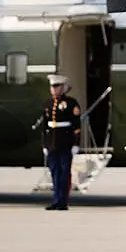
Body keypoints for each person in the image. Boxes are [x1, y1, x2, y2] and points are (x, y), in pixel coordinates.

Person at [41, 74, 82, 211]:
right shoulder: (48, 103)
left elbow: (76, 125)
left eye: (56, 86)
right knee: (55, 173)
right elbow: (45, 127)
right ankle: (56, 199)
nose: (53, 89)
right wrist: (45, 145)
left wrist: (76, 143)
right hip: (52, 142)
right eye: (52, 87)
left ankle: (63, 201)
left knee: (64, 173)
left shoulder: (71, 103)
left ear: (63, 88)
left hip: (65, 142)